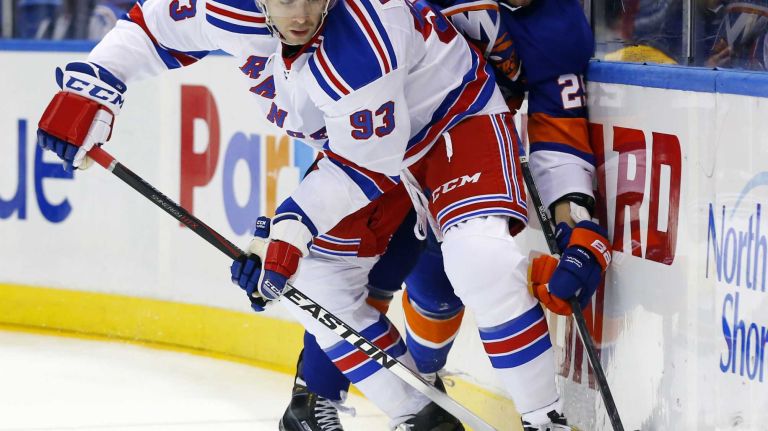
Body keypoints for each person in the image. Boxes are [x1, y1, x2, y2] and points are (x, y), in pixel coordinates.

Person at [35, 0, 609, 428]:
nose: (300, 13)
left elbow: (365, 168)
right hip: (367, 142)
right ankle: (409, 414)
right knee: (309, 278)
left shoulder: (362, 43)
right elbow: (151, 25)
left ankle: (545, 419)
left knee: (476, 265)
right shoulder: (226, 8)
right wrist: (94, 86)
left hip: (449, 126)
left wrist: (575, 218)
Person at [276, 0, 609, 429]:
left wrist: (574, 222)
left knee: (450, 281)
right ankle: (314, 391)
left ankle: (432, 392)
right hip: (377, 137)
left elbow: (559, 128)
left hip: (462, 137)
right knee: (343, 265)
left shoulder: (559, 24)